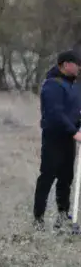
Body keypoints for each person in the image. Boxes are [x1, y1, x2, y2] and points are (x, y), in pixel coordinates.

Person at [33, 49, 81, 231]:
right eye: (77, 63)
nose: (79, 67)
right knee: (47, 177)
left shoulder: (73, 85)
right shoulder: (52, 85)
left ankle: (63, 215)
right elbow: (55, 114)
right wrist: (73, 132)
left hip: (69, 140)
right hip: (54, 138)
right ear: (66, 64)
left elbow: (74, 110)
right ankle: (38, 218)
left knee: (66, 178)